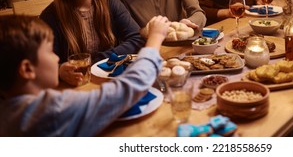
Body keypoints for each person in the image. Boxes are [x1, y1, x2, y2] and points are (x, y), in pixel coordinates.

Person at [0, 14, 170, 136]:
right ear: (27, 69)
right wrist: (155, 38)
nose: (57, 58)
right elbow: (127, 89)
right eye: (50, 51)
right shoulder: (50, 111)